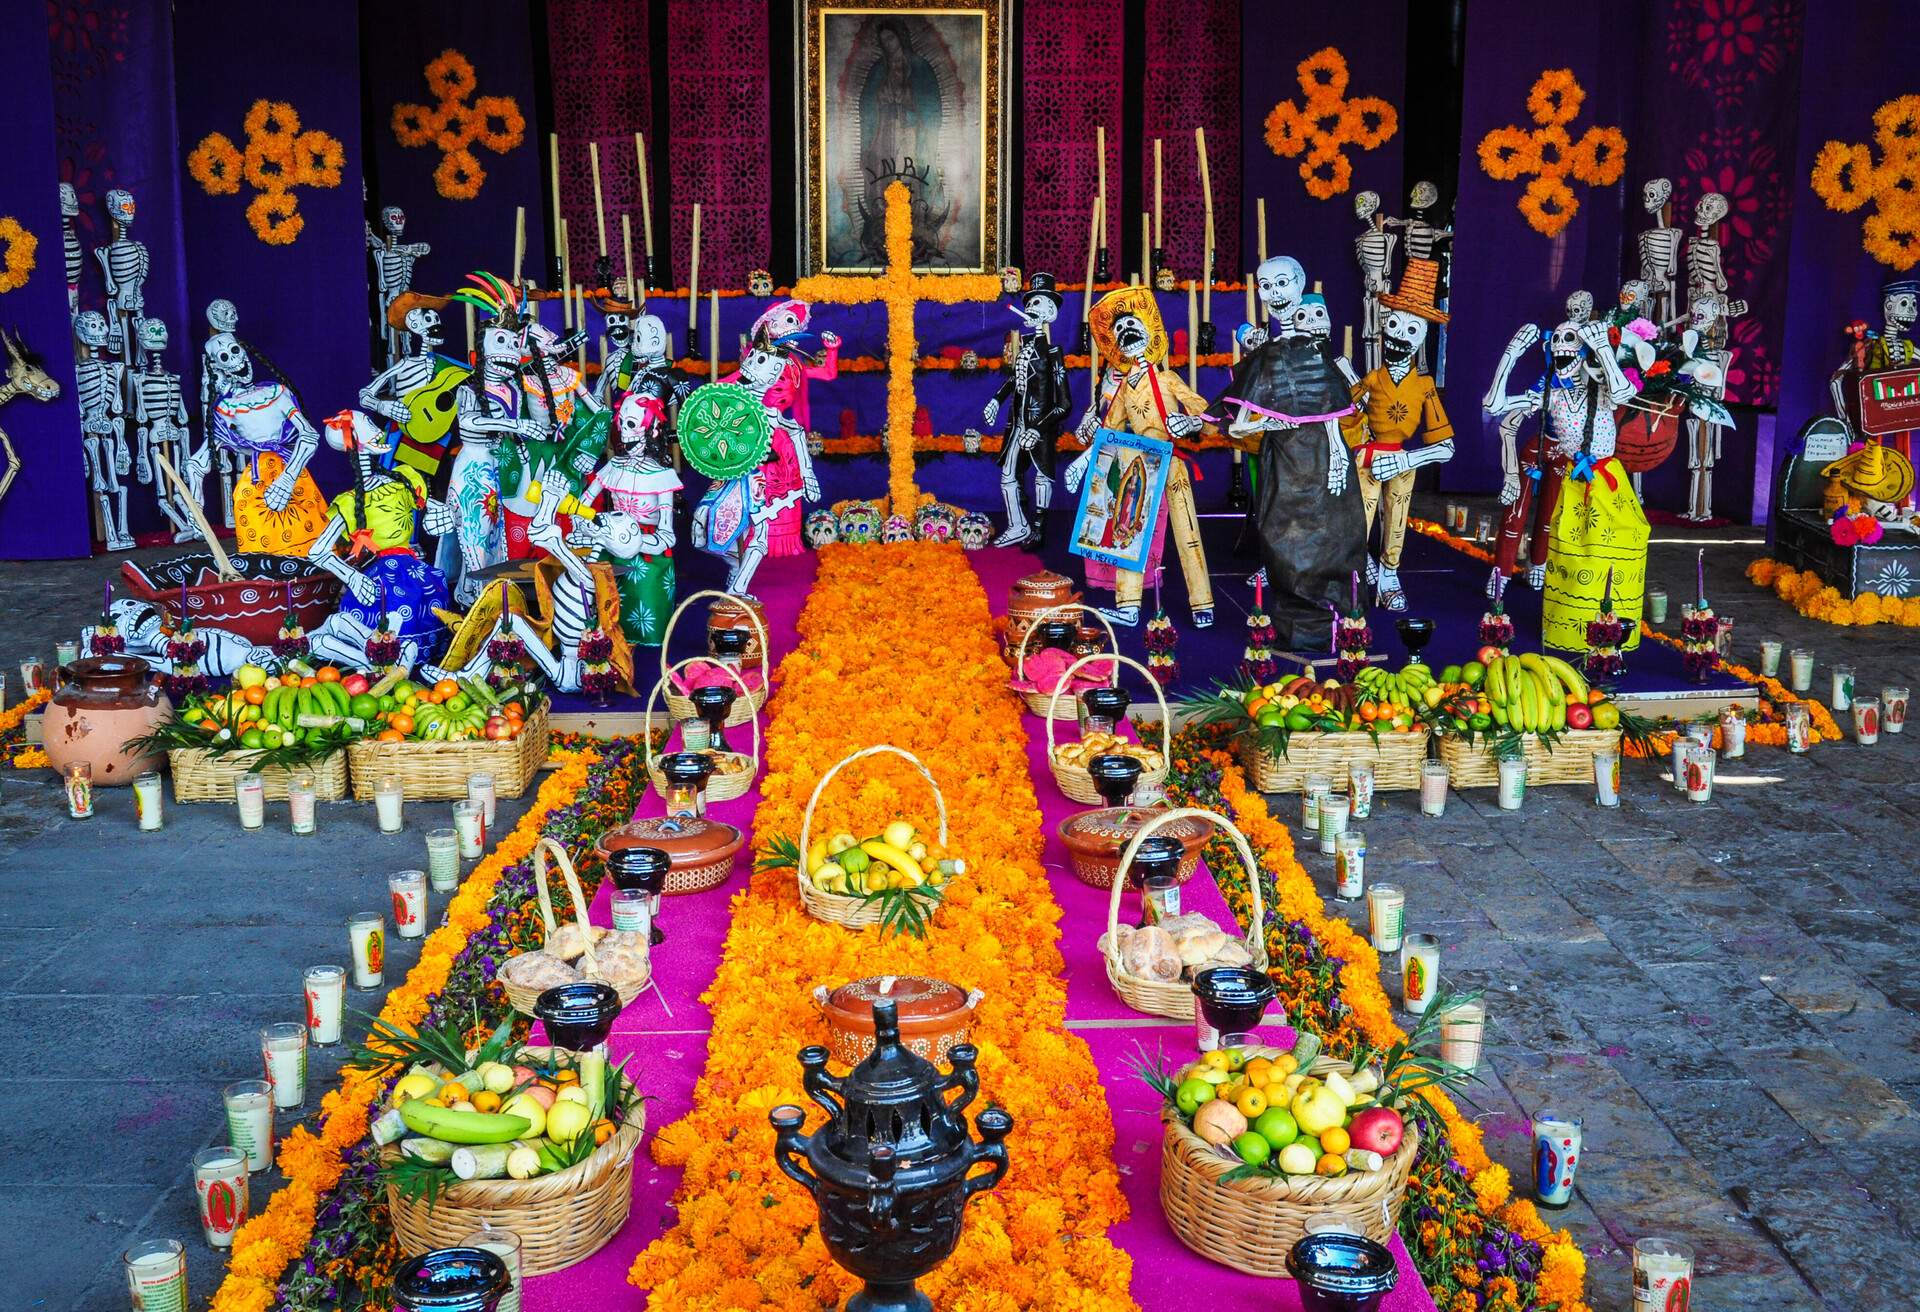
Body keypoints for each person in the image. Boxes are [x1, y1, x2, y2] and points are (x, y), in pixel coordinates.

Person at [1215, 263, 1364, 650]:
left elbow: (1330, 405)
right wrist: (1259, 426)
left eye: (1282, 283)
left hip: (1322, 457)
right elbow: (1240, 417)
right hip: (1282, 458)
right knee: (1281, 533)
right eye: (1265, 285)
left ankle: (1336, 622)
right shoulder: (1267, 353)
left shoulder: (1315, 349)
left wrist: (1336, 453)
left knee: (1331, 535)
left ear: (1299, 285)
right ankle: (1293, 623)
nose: (1274, 292)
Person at [1484, 319, 1645, 651]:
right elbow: (1494, 406)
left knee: (1606, 555)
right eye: (1555, 339)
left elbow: (1625, 391)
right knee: (1570, 555)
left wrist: (1601, 346)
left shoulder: (1602, 390)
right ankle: (1572, 631)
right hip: (1574, 480)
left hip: (1605, 481)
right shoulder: (1552, 395)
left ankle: (1611, 627)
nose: (1560, 345)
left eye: (1569, 339)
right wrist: (1510, 355)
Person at [1064, 286, 1213, 628]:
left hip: (1172, 462)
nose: (1125, 332)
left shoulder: (1168, 379)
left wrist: (1191, 421)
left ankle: (1202, 602)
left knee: (1187, 530)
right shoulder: (1120, 390)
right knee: (1128, 531)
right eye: (1118, 329)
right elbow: (1108, 432)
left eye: (1131, 325)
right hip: (1141, 464)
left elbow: (1206, 413)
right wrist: (1084, 460)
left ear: (1148, 332)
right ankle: (1129, 605)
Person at [583, 392, 682, 646]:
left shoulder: (662, 476)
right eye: (621, 421)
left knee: (645, 584)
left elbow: (667, 535)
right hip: (609, 546)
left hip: (647, 551)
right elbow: (583, 504)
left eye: (631, 424)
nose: (623, 430)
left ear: (653, 431)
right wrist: (584, 525)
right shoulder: (613, 467)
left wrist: (637, 544)